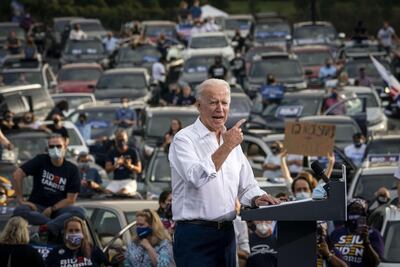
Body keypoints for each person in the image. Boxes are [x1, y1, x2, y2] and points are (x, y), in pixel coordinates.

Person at [169, 78, 280, 266]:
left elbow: (247, 186)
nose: (219, 108)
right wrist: (227, 145)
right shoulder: (184, 139)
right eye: (213, 102)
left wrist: (257, 198)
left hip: (227, 234)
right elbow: (196, 177)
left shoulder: (231, 142)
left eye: (224, 103)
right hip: (194, 236)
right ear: (198, 106)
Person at [12, 134, 84, 238]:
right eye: (51, 146)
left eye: (59, 146)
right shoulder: (40, 160)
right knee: (19, 210)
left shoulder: (72, 169)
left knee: (80, 212)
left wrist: (51, 209)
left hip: (59, 210)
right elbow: (17, 175)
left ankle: (46, 227)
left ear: (65, 147)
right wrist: (21, 199)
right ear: (48, 149)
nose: (55, 149)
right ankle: (54, 225)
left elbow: (70, 200)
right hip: (37, 208)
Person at [330, 198, 384, 267]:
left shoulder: (373, 234)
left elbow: (375, 262)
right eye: (352, 209)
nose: (355, 211)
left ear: (365, 213)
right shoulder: (336, 233)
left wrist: (366, 242)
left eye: (359, 209)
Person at [46, 216, 115, 267]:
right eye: (70, 230)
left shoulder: (93, 250)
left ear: (83, 232)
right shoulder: (55, 253)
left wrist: (115, 263)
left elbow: (108, 265)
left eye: (77, 230)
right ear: (65, 233)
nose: (74, 233)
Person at [105, 129, 142, 196]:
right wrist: (116, 165)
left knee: (123, 192)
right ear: (115, 140)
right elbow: (107, 169)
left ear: (127, 139)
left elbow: (139, 169)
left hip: (129, 180)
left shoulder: (132, 152)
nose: (121, 142)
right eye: (119, 140)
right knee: (106, 193)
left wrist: (130, 166)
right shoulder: (111, 152)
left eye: (123, 140)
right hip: (116, 181)